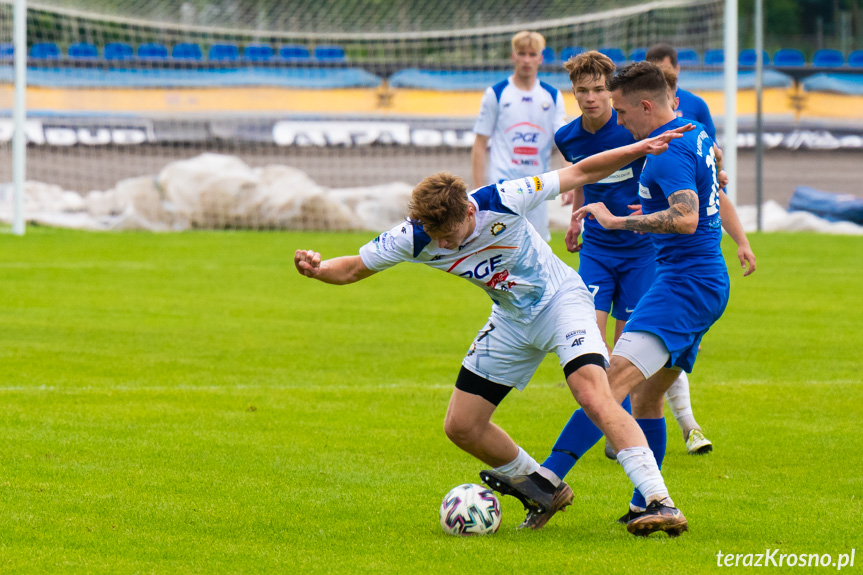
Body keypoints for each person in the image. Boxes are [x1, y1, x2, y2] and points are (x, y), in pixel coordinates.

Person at [295, 124, 694, 538]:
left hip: (561, 302)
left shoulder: (503, 198)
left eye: (449, 237)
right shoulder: (416, 236)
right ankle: (543, 488)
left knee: (592, 391)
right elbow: (354, 268)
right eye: (438, 240)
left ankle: (659, 500)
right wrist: (317, 269)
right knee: (462, 426)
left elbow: (581, 173)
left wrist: (641, 147)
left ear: (469, 211)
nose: (445, 247)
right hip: (511, 320)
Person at [485, 61, 735, 534]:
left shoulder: (665, 154)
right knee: (647, 398)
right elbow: (712, 171)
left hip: (685, 284)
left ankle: (546, 479)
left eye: (623, 110)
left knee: (608, 383)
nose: (619, 122)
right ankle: (647, 506)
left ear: (645, 105)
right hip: (700, 280)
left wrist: (619, 221)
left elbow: (684, 218)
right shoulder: (694, 129)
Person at [471, 30, 567, 242]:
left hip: (537, 189)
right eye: (521, 53)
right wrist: (478, 192)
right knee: (499, 250)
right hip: (503, 187)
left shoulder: (552, 96)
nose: (526, 60)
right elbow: (480, 143)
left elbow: (563, 142)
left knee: (537, 252)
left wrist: (572, 182)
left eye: (532, 54)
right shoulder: (496, 93)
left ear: (541, 58)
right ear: (513, 56)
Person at [646, 43, 716, 141]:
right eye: (656, 71)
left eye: (666, 70)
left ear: (677, 69)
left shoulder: (696, 104)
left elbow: (712, 149)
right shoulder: (640, 106)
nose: (661, 75)